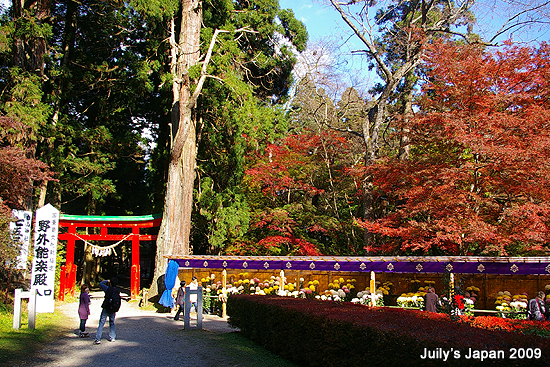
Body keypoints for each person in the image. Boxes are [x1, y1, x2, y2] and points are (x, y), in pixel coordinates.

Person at [94, 277, 120, 344]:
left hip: (106, 307)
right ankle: (112, 337)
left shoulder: (107, 289)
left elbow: (100, 284)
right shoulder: (117, 290)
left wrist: (107, 281)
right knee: (112, 323)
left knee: (101, 323)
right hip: (113, 308)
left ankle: (98, 338)